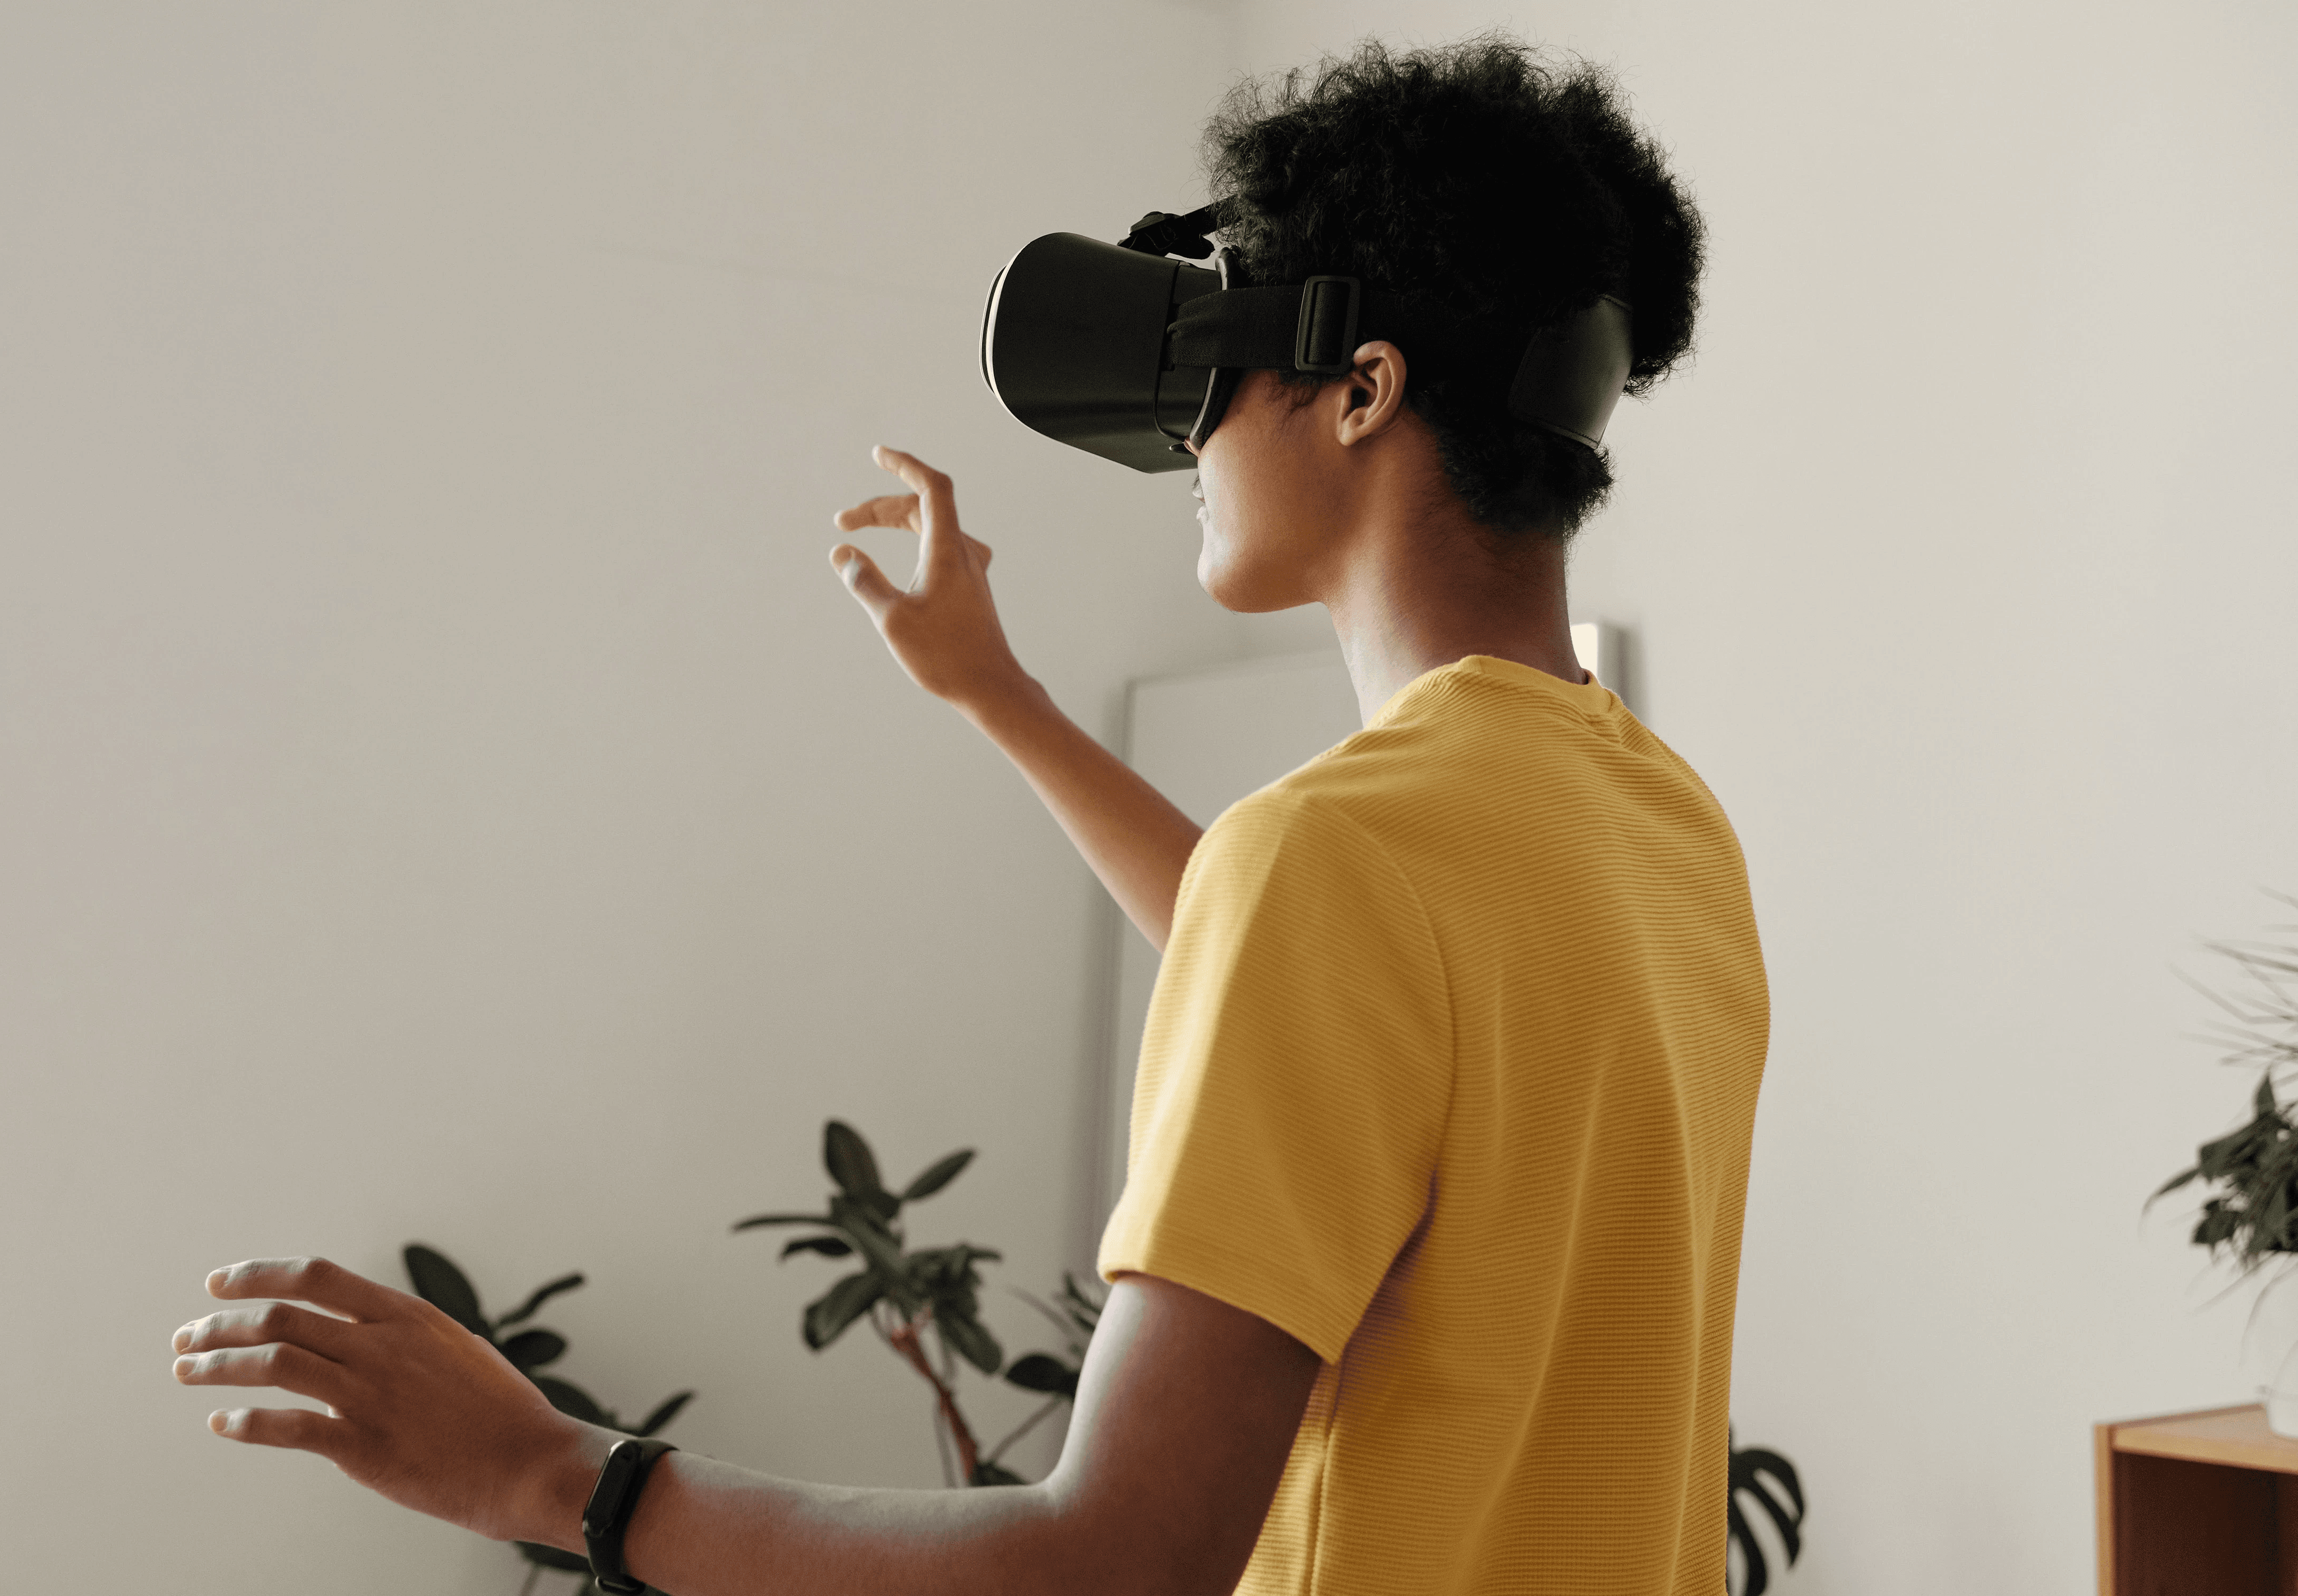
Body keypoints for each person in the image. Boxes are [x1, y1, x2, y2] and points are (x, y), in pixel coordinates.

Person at [171, 36, 1767, 1596]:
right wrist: (1001, 698)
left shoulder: (1345, 861)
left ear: (1361, 389)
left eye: (1217, 357)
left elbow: (1115, 1560)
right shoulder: (1660, 833)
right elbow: (1337, 990)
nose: (1190, 430)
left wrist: (555, 1476)